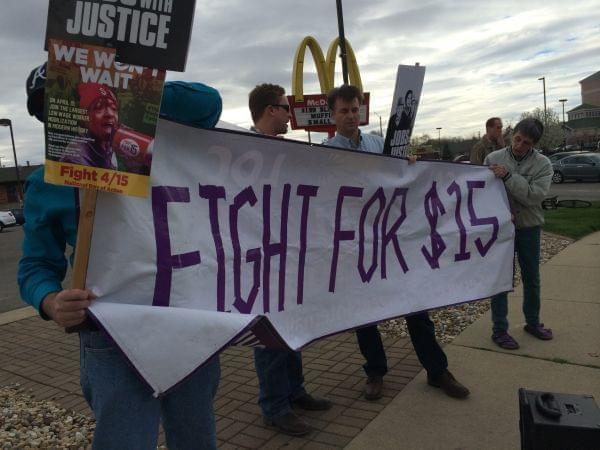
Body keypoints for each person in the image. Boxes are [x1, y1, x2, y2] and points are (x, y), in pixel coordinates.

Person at [19, 64, 222, 449]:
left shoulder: (147, 146)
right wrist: (50, 300)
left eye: (93, 98)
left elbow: (208, 104)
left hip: (185, 318)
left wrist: (133, 88)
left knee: (196, 436)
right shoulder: (45, 182)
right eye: (55, 106)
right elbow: (36, 264)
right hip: (111, 333)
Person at [325, 84, 470, 401]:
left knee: (416, 307)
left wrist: (411, 166)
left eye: (354, 109)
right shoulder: (326, 154)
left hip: (395, 241)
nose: (350, 115)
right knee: (365, 314)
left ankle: (436, 370)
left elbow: (403, 181)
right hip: (359, 245)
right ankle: (375, 372)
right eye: (343, 110)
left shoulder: (382, 144)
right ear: (333, 114)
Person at [247, 83, 332, 436]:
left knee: (292, 327)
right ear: (270, 110)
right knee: (269, 335)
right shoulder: (244, 151)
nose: (289, 113)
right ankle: (274, 406)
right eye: (285, 107)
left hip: (288, 257)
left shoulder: (284, 151)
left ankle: (294, 392)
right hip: (261, 260)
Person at [485, 118, 553, 349]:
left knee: (532, 278)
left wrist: (508, 177)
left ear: (533, 144)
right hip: (501, 229)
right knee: (501, 279)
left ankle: (533, 322)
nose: (519, 145)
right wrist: (501, 212)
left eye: (526, 142)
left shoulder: (543, 164)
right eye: (517, 139)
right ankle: (499, 330)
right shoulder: (493, 159)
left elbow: (534, 196)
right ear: (512, 134)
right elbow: (482, 193)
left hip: (528, 229)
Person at [61, 83, 120, 170]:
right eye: (99, 107)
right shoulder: (76, 157)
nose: (110, 114)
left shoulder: (109, 144)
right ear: (85, 116)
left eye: (113, 108)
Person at [384, 90, 417, 157]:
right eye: (399, 107)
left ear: (403, 108)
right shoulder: (392, 119)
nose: (400, 109)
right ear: (396, 108)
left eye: (401, 107)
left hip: (400, 154)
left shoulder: (406, 119)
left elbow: (407, 136)